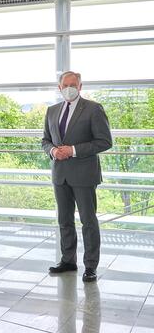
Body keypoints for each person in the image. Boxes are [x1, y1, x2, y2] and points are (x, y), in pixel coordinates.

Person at [42, 71, 112, 283]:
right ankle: (68, 260)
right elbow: (45, 140)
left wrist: (72, 150)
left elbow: (105, 141)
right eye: (66, 84)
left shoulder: (93, 109)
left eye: (74, 84)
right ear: (59, 87)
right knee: (64, 220)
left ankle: (90, 266)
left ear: (80, 87)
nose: (69, 88)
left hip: (84, 174)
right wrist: (53, 151)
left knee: (88, 222)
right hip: (60, 174)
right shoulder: (52, 111)